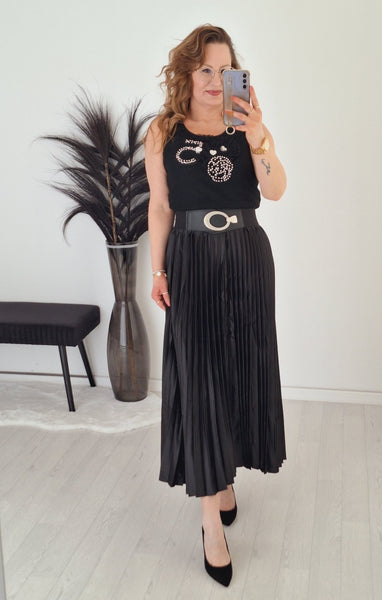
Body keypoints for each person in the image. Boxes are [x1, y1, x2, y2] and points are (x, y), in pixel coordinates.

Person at [144, 24, 286, 587]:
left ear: (236, 76)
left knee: (237, 371)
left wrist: (258, 136)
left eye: (224, 70)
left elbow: (275, 190)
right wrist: (158, 270)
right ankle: (211, 522)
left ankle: (226, 477)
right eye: (204, 69)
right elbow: (160, 206)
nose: (213, 79)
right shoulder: (164, 130)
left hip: (247, 255)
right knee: (199, 378)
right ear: (186, 71)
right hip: (192, 258)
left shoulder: (245, 124)